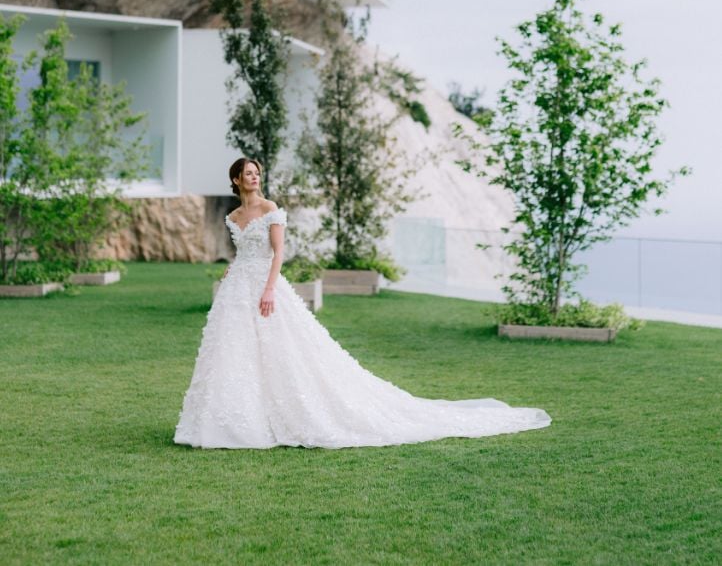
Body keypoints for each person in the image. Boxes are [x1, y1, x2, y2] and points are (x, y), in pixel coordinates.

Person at [173, 157, 551, 449]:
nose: (254, 177)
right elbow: (243, 253)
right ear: (236, 180)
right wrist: (230, 273)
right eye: (248, 173)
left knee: (283, 351)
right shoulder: (234, 215)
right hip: (238, 286)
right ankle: (236, 421)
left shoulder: (271, 209)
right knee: (234, 352)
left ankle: (285, 415)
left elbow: (278, 253)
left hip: (265, 285)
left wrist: (270, 289)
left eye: (257, 172)